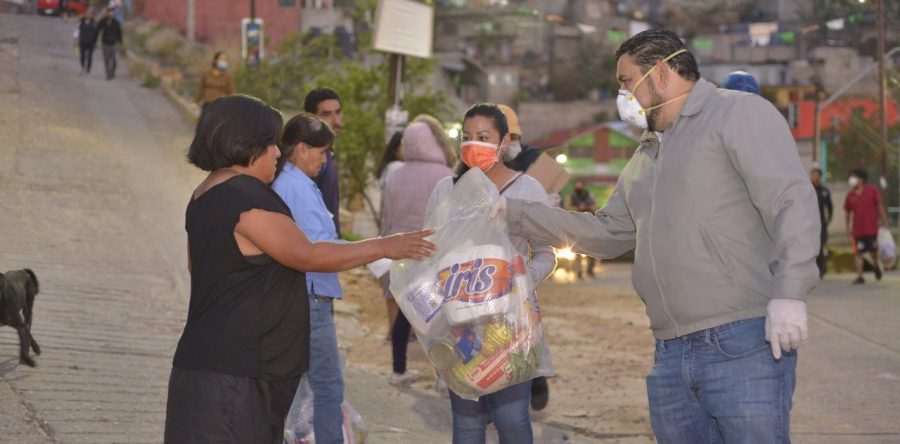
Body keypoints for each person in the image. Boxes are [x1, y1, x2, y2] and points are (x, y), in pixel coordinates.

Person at [496, 29, 820, 443]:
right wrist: (514, 213)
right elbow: (607, 232)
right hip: (669, 352)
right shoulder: (644, 156)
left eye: (626, 81)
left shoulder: (737, 114)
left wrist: (790, 291)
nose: (623, 94)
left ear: (662, 72)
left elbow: (790, 200)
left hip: (741, 342)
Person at [164, 95, 435, 444]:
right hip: (238, 375)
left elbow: (200, 266)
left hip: (209, 367)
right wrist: (384, 246)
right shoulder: (244, 198)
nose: (278, 153)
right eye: (271, 144)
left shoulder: (205, 194)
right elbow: (306, 255)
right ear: (245, 143)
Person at [427, 103, 556, 444]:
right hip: (461, 329)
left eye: (483, 137)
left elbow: (547, 254)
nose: (473, 144)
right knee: (466, 426)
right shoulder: (445, 189)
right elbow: (431, 252)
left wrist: (520, 279)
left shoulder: (527, 190)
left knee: (512, 422)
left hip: (512, 327)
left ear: (504, 143)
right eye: (467, 137)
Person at [270, 113, 353, 444]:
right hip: (310, 297)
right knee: (328, 385)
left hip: (302, 293)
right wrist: (375, 253)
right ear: (302, 149)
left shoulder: (295, 182)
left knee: (299, 384)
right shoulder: (295, 186)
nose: (325, 159)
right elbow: (317, 249)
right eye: (322, 152)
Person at [381, 121, 455, 387]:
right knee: (439, 314)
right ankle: (442, 374)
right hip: (433, 252)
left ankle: (398, 370)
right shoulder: (445, 174)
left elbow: (386, 219)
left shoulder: (396, 175)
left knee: (405, 313)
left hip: (402, 255)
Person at [496, 103, 553, 412]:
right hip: (472, 289)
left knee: (525, 341)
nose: (512, 142)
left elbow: (546, 250)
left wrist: (524, 279)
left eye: (515, 136)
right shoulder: (456, 185)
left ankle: (535, 377)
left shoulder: (531, 177)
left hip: (516, 284)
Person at [376, 131, 405, 337]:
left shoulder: (388, 168)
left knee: (391, 288)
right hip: (398, 234)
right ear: (396, 148)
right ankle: (396, 334)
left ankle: (392, 331)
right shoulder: (398, 168)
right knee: (398, 290)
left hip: (390, 230)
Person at [304, 88, 343, 235]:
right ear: (310, 117)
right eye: (326, 114)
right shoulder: (310, 158)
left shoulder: (328, 154)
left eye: (338, 112)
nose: (336, 120)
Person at [844, 168, 889, 284]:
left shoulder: (872, 190)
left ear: (862, 179)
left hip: (871, 229)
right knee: (858, 252)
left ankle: (876, 266)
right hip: (857, 230)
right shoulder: (850, 195)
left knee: (873, 252)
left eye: (854, 177)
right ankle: (860, 276)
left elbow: (880, 206)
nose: (852, 179)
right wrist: (847, 228)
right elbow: (848, 213)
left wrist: (885, 222)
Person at [569, 180, 598, 279]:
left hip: (588, 225)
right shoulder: (571, 197)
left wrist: (587, 207)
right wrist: (578, 207)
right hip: (576, 226)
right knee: (577, 250)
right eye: (576, 184)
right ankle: (579, 271)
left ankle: (590, 269)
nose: (578, 186)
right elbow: (567, 209)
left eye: (580, 184)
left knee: (592, 249)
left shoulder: (589, 196)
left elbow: (596, 207)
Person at [811, 168, 833, 277]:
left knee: (820, 246)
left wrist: (829, 218)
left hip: (820, 224)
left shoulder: (824, 191)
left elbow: (829, 207)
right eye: (812, 174)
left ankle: (821, 269)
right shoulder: (807, 189)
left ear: (819, 176)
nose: (813, 177)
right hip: (808, 223)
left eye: (815, 175)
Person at [96, 7, 122, 80]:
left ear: (113, 13)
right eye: (109, 12)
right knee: (106, 59)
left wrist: (120, 43)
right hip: (105, 43)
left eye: (112, 12)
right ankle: (108, 74)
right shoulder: (103, 21)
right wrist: (96, 41)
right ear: (107, 13)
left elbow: (119, 33)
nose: (110, 13)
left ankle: (112, 71)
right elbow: (97, 31)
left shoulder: (116, 22)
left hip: (113, 43)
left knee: (114, 59)